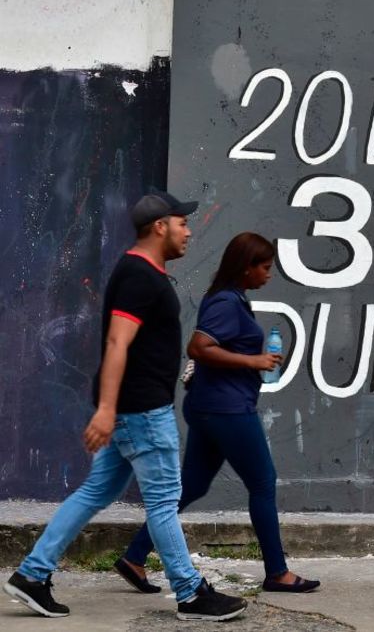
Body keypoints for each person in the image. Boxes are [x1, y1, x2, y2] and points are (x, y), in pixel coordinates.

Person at [3, 192, 248, 621]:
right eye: (181, 223)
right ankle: (191, 592)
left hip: (131, 408)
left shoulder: (141, 271)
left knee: (98, 491)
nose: (188, 231)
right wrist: (106, 409)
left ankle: (32, 574)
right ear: (160, 227)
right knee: (164, 500)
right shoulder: (139, 276)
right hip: (142, 410)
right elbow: (118, 341)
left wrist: (109, 407)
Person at [115, 232, 320, 594]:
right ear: (246, 268)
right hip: (227, 410)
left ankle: (134, 557)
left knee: (191, 485)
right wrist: (252, 360)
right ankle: (277, 572)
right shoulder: (226, 302)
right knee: (262, 482)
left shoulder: (229, 299)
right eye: (265, 268)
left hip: (209, 407)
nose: (269, 275)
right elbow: (198, 347)